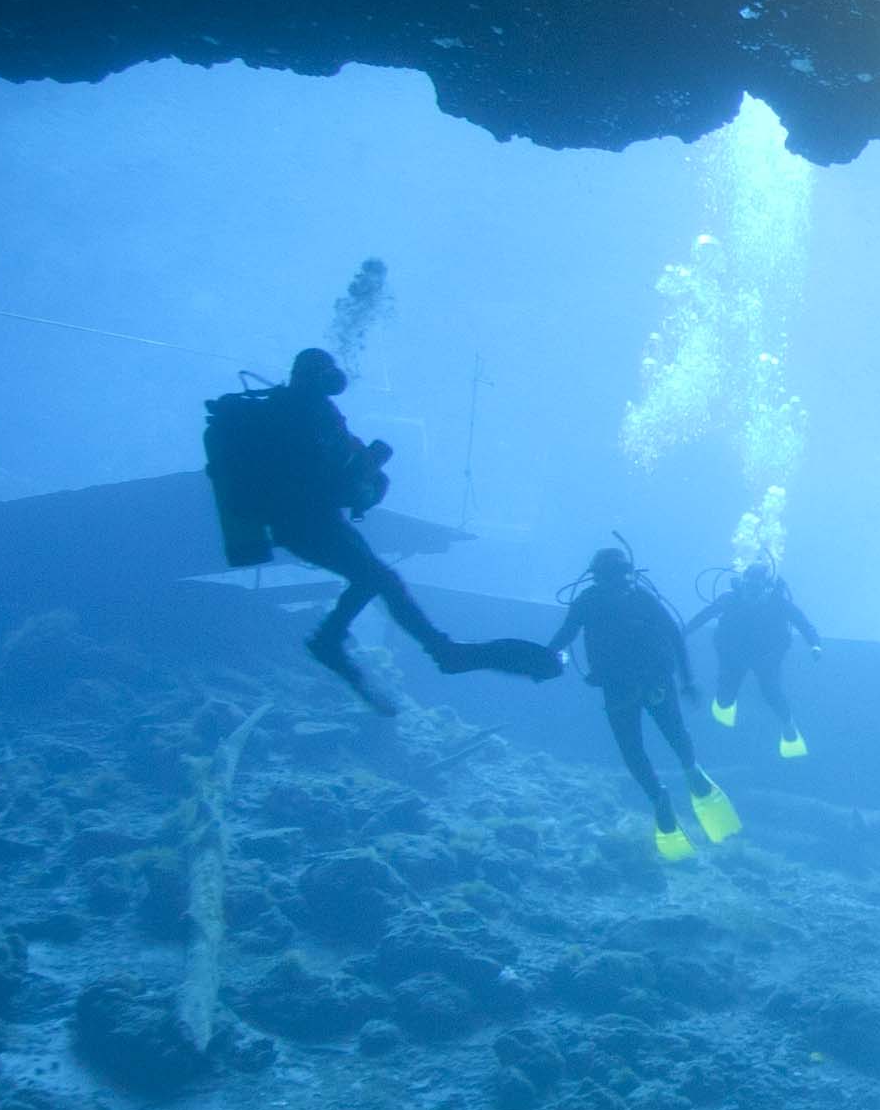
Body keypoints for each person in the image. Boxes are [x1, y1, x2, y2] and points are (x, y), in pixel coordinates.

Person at [202, 350, 557, 713]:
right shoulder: (299, 415)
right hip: (303, 523)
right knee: (379, 578)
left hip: (316, 520)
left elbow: (336, 469)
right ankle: (408, 647)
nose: (336, 380)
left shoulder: (307, 411)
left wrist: (367, 474)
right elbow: (319, 480)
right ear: (314, 376)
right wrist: (366, 470)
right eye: (328, 373)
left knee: (381, 579)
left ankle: (405, 646)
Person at [550, 544, 742, 861]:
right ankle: (692, 770)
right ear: (628, 572)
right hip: (656, 683)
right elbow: (675, 636)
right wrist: (687, 679)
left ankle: (658, 797)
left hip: (617, 688)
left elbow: (564, 636)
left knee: (632, 749)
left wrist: (542, 659)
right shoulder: (641, 596)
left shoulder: (587, 600)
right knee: (675, 733)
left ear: (594, 576)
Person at [687, 558, 824, 760]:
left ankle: (789, 726)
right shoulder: (729, 600)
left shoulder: (778, 603)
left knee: (771, 692)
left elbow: (803, 623)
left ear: (766, 587)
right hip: (734, 655)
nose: (751, 592)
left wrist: (815, 644)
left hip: (766, 657)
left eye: (757, 588)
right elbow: (702, 617)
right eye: (749, 586)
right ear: (742, 583)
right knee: (725, 698)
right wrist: (682, 633)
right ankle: (726, 706)